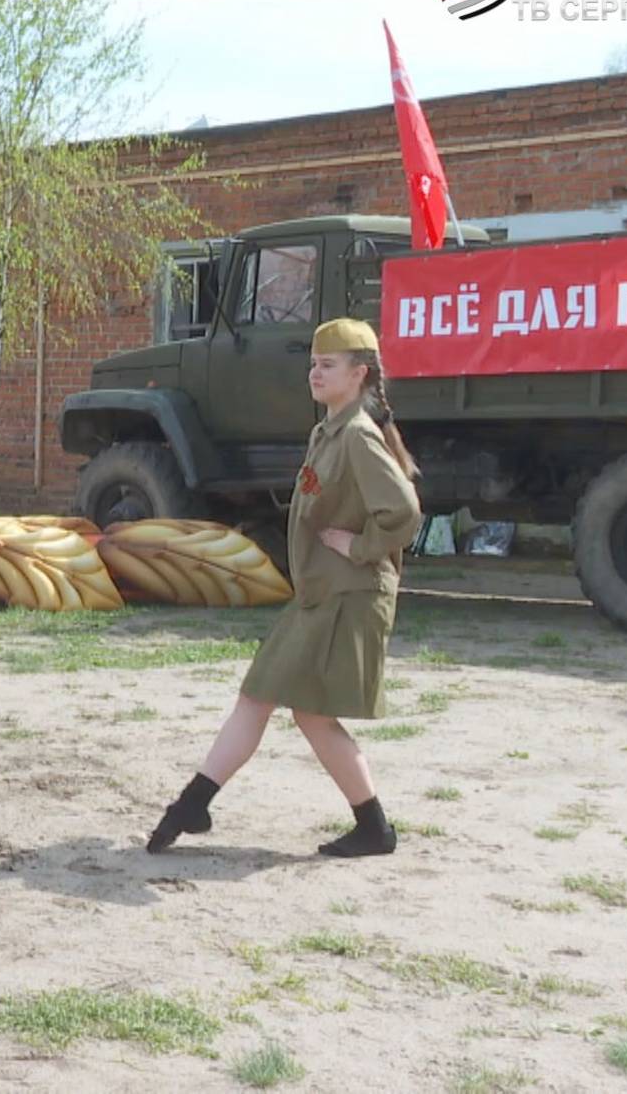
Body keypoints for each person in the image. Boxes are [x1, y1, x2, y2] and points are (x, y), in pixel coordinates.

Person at [146, 317, 422, 859]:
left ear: (359, 373)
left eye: (328, 365)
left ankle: (368, 827)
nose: (315, 373)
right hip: (322, 594)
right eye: (313, 364)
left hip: (349, 595)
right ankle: (196, 805)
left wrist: (359, 546)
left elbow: (405, 512)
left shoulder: (358, 437)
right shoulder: (329, 432)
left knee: (294, 707)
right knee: (269, 698)